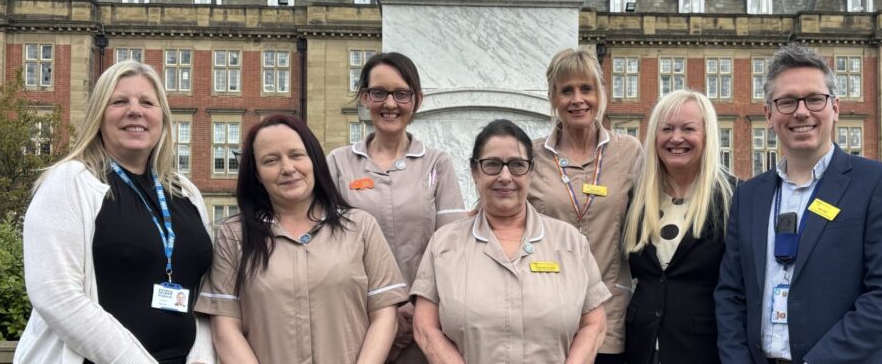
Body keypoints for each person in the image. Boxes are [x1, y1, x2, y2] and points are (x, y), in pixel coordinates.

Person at [714, 44, 882, 364]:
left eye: (814, 99)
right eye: (787, 101)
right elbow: (730, 294)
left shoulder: (880, 185)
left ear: (835, 107)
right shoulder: (749, 195)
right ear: (769, 114)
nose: (801, 111)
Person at [15, 60, 216, 364]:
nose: (135, 110)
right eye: (119, 101)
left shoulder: (185, 192)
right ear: (99, 115)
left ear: (162, 116)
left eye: (147, 102)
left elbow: (203, 293)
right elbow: (56, 295)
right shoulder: (70, 181)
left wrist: (201, 358)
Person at [196, 114, 406, 364]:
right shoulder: (234, 237)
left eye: (296, 155)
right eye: (271, 160)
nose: (287, 168)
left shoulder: (360, 227)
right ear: (257, 175)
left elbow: (384, 316)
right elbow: (225, 328)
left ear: (314, 160)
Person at [411, 119, 610, 364]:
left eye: (517, 165)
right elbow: (425, 327)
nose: (505, 176)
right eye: (492, 165)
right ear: (475, 171)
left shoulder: (570, 242)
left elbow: (595, 323)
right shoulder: (444, 244)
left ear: (531, 171)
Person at [326, 52, 467, 363]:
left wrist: (415, 308)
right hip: (357, 322)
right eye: (379, 93)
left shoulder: (436, 164)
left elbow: (451, 246)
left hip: (422, 322)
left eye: (401, 94)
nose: (390, 104)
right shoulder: (338, 164)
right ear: (365, 97)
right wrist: (383, 310)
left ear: (417, 99)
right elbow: (329, 248)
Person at [528, 48, 643, 362]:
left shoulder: (629, 152)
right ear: (553, 98)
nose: (577, 99)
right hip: (546, 314)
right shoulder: (531, 156)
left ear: (600, 93)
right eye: (566, 90)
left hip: (610, 313)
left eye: (586, 89)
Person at [623, 90, 734, 364]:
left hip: (702, 350)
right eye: (667, 129)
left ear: (707, 135)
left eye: (688, 129)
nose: (676, 138)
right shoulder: (637, 197)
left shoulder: (733, 197)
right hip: (641, 347)